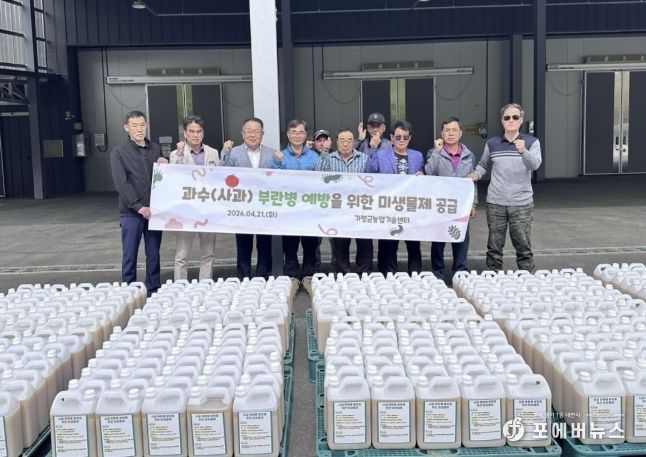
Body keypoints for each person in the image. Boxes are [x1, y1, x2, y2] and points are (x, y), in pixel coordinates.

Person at [470, 103, 542, 273]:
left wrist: (524, 151)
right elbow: (483, 165)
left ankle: (528, 278)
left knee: (523, 247)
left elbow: (535, 165)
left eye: (515, 117)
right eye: (507, 117)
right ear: (502, 121)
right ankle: (493, 278)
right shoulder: (492, 143)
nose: (511, 120)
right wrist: (475, 175)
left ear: (521, 120)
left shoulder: (531, 142)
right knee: (494, 247)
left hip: (521, 203)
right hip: (496, 202)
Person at [110, 110, 168, 296]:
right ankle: (130, 291)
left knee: (153, 254)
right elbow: (122, 183)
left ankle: (153, 289)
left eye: (142, 125)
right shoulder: (119, 152)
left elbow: (161, 177)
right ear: (126, 128)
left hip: (154, 211)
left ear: (146, 126)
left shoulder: (155, 149)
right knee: (130, 254)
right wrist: (138, 206)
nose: (139, 129)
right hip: (131, 212)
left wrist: (165, 163)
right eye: (134, 125)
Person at [365, 120, 424, 275]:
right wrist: (372, 148)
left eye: (405, 137)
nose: (402, 140)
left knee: (414, 244)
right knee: (388, 244)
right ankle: (387, 274)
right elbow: (368, 171)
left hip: (410, 207)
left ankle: (415, 274)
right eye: (398, 137)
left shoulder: (417, 156)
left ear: (410, 138)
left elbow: (424, 179)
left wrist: (423, 176)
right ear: (392, 137)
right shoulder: (381, 154)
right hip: (388, 208)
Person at [222, 117, 276, 280]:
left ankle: (263, 277)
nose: (253, 135)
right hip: (242, 208)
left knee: (265, 245)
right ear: (242, 133)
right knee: (243, 245)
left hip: (265, 208)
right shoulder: (233, 153)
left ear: (263, 133)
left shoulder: (272, 153)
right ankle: (243, 278)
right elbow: (221, 174)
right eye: (249, 131)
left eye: (256, 131)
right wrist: (224, 152)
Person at [271, 119, 320, 296]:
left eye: (300, 132)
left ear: (306, 135)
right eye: (293, 132)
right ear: (288, 135)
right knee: (290, 246)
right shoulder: (279, 156)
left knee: (310, 245)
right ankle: (292, 277)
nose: (297, 136)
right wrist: (277, 164)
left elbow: (322, 181)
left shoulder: (314, 157)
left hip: (310, 209)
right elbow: (271, 180)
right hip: (289, 211)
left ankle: (308, 276)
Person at [425, 117, 478, 280]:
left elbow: (472, 181)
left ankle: (460, 271)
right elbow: (428, 173)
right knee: (438, 241)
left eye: (454, 130)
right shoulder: (434, 153)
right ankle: (437, 272)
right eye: (447, 130)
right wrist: (436, 152)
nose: (451, 133)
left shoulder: (469, 155)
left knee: (461, 239)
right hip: (440, 205)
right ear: (442, 134)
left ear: (460, 133)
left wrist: (473, 203)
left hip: (461, 205)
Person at [169, 115, 219, 281]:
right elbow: (172, 177)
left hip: (207, 209)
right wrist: (179, 153)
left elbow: (219, 179)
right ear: (185, 133)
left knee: (208, 253)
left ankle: (205, 284)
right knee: (182, 254)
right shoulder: (176, 154)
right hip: (186, 210)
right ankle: (180, 285)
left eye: (199, 131)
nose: (195, 135)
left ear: (203, 133)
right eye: (191, 131)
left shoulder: (213, 152)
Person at [316, 129, 372, 274]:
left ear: (354, 142)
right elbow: (317, 176)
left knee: (364, 244)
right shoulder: (329, 158)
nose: (345, 144)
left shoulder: (364, 158)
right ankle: (342, 275)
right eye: (342, 140)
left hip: (360, 209)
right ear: (336, 142)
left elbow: (374, 180)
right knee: (340, 245)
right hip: (338, 210)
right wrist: (324, 151)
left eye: (349, 140)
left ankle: (364, 274)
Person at [310, 129, 333, 270]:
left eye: (325, 140)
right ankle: (315, 269)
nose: (322, 143)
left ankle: (336, 269)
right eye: (319, 140)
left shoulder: (335, 156)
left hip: (332, 205)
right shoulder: (310, 156)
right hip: (315, 205)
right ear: (314, 142)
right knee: (314, 241)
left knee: (335, 240)